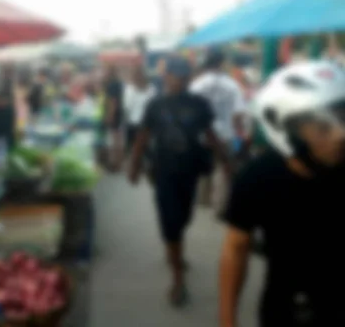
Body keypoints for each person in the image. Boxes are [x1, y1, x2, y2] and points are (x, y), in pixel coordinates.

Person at [220, 61, 345, 327]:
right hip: (288, 309)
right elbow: (236, 247)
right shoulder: (257, 179)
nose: (339, 135)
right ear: (286, 131)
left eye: (342, 118)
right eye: (323, 127)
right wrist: (227, 320)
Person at [128, 57, 230, 307]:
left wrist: (226, 163)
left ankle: (174, 246)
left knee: (184, 218)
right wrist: (134, 164)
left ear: (189, 78)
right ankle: (178, 279)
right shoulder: (155, 104)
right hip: (163, 172)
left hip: (190, 171)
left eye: (185, 76)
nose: (180, 79)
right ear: (166, 76)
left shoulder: (199, 104)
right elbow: (143, 135)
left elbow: (210, 134)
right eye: (175, 75)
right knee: (171, 220)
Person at [190, 48, 247, 213]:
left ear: (206, 63)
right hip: (226, 135)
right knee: (223, 169)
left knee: (203, 167)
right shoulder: (233, 85)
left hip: (202, 135)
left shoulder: (197, 84)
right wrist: (239, 134)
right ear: (222, 63)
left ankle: (202, 199)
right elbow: (238, 114)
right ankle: (219, 207)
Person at [123, 66, 156, 153]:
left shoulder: (152, 90)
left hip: (145, 126)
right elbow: (126, 108)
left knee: (143, 151)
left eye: (140, 75)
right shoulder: (130, 90)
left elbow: (126, 108)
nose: (138, 78)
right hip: (133, 125)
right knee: (135, 150)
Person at [104, 65, 124, 171]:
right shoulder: (120, 83)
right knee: (118, 140)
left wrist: (110, 116)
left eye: (106, 71)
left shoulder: (112, 85)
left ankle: (114, 164)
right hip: (120, 113)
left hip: (115, 114)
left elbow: (113, 101)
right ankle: (119, 163)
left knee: (114, 140)